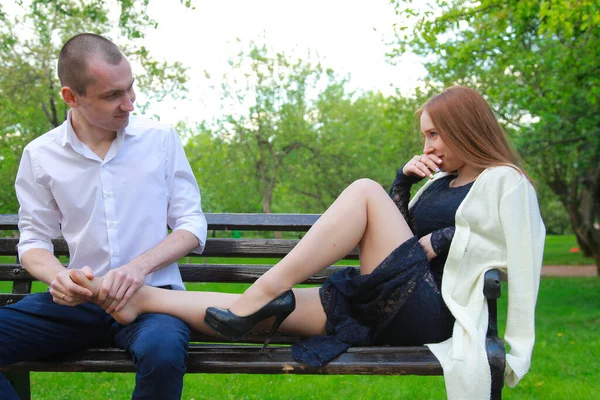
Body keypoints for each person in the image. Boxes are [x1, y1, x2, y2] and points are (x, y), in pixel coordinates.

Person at [69, 86, 545, 399]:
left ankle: (260, 292)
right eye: (425, 137)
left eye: (435, 135)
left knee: (362, 190)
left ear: (467, 127)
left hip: (435, 310)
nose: (428, 148)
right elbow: (397, 239)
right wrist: (401, 184)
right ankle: (136, 297)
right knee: (263, 313)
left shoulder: (506, 181)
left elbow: (509, 248)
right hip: (389, 299)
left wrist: (437, 240)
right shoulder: (440, 183)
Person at [0, 33, 207, 399]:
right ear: (71, 97)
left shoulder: (160, 139)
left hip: (154, 300)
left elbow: (191, 225)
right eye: (112, 95)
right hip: (79, 302)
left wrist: (138, 267)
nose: (128, 104)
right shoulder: (39, 155)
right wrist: (59, 277)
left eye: (130, 89)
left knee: (162, 355)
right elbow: (33, 241)